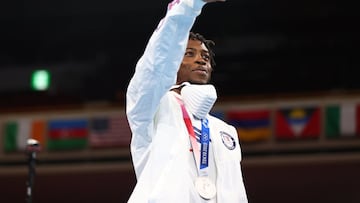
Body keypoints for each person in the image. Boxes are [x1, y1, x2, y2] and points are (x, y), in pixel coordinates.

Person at [126, 0, 248, 202]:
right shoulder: (153, 108)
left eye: (206, 57)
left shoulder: (225, 131)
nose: (201, 60)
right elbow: (156, 65)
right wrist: (189, 6)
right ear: (174, 60)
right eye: (189, 54)